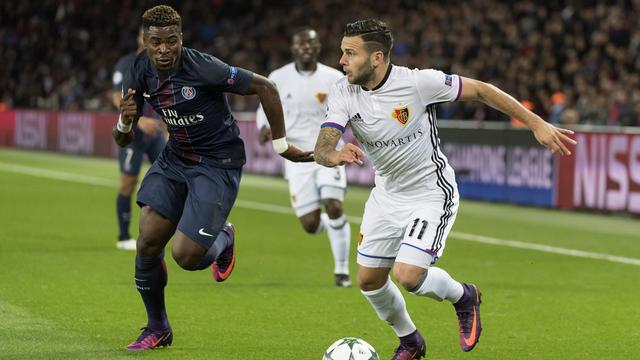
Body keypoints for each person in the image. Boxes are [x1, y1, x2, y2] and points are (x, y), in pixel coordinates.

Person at [314, 19, 576, 359]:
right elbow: (323, 146)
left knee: (408, 275)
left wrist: (536, 123)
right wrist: (332, 155)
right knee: (368, 280)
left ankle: (464, 296)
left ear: (377, 57)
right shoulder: (343, 91)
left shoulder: (419, 83)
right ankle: (411, 341)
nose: (342, 61)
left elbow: (481, 90)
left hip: (430, 192)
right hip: (387, 194)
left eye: (350, 53)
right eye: (342, 53)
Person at [113, 5, 313, 351]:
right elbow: (124, 139)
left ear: (181, 38)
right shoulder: (138, 69)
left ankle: (225, 237)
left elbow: (266, 87)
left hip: (217, 162)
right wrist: (124, 121)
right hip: (175, 158)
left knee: (187, 257)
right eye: (156, 42)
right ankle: (157, 327)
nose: (164, 50)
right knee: (147, 241)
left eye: (171, 41)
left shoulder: (205, 67)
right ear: (145, 41)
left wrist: (281, 145)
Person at [256, 27, 351, 287]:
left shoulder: (334, 78)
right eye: (301, 44)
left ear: (318, 46)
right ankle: (334, 228)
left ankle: (342, 271)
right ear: (294, 48)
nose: (306, 48)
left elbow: (350, 107)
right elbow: (266, 105)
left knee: (334, 205)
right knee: (310, 224)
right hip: (296, 156)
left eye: (311, 43)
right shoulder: (279, 76)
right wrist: (263, 127)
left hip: (328, 149)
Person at [111, 27, 166, 251]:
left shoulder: (162, 66)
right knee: (128, 183)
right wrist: (139, 120)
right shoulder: (126, 64)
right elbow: (117, 96)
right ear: (139, 39)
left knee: (169, 180)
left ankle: (164, 232)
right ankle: (124, 236)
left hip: (156, 135)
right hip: (133, 135)